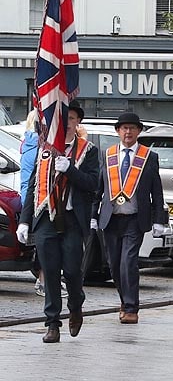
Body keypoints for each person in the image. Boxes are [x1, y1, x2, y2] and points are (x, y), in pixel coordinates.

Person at [16, 101, 99, 343]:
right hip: (45, 220)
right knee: (49, 272)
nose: (66, 124)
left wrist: (70, 170)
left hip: (73, 219)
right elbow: (33, 187)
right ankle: (52, 323)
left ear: (77, 122)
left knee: (72, 271)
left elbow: (93, 184)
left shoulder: (88, 150)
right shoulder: (44, 150)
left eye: (71, 119)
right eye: (61, 120)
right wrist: (24, 221)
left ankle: (75, 304)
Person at [91, 112, 167, 324]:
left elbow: (157, 191)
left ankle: (132, 307)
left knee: (128, 262)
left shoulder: (148, 156)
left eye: (132, 128)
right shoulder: (108, 154)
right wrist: (93, 214)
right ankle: (125, 300)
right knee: (114, 265)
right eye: (124, 128)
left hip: (135, 218)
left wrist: (159, 219)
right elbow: (99, 188)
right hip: (111, 218)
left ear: (139, 131)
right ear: (117, 131)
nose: (128, 131)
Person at [19, 110, 46, 296]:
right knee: (44, 244)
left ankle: (44, 279)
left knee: (40, 244)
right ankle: (43, 280)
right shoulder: (40, 147)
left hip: (28, 199)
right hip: (37, 200)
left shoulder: (26, 144)